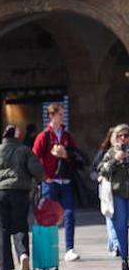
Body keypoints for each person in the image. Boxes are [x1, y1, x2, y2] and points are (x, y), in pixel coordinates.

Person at [0, 125, 44, 270]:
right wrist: (37, 181)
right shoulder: (24, 151)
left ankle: (4, 266)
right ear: (16, 137)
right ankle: (23, 254)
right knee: (20, 225)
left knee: (1, 229)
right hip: (19, 193)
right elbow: (38, 171)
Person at [33, 103, 81, 261]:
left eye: (62, 114)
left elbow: (75, 156)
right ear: (52, 116)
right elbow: (34, 158)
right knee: (48, 216)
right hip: (50, 182)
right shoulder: (44, 136)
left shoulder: (67, 136)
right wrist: (43, 176)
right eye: (60, 114)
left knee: (69, 214)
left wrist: (65, 155)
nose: (62, 117)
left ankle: (69, 248)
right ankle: (48, 248)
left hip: (65, 181)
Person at [97, 124, 129, 270]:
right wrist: (115, 160)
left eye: (126, 136)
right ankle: (125, 258)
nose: (123, 139)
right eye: (120, 136)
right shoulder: (111, 153)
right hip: (118, 194)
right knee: (120, 227)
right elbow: (101, 170)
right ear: (115, 138)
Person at [93, 127, 119, 257]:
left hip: (120, 188)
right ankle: (116, 245)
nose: (121, 139)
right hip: (106, 187)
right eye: (118, 136)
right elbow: (94, 169)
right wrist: (100, 177)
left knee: (119, 217)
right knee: (110, 215)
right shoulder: (104, 152)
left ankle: (112, 244)